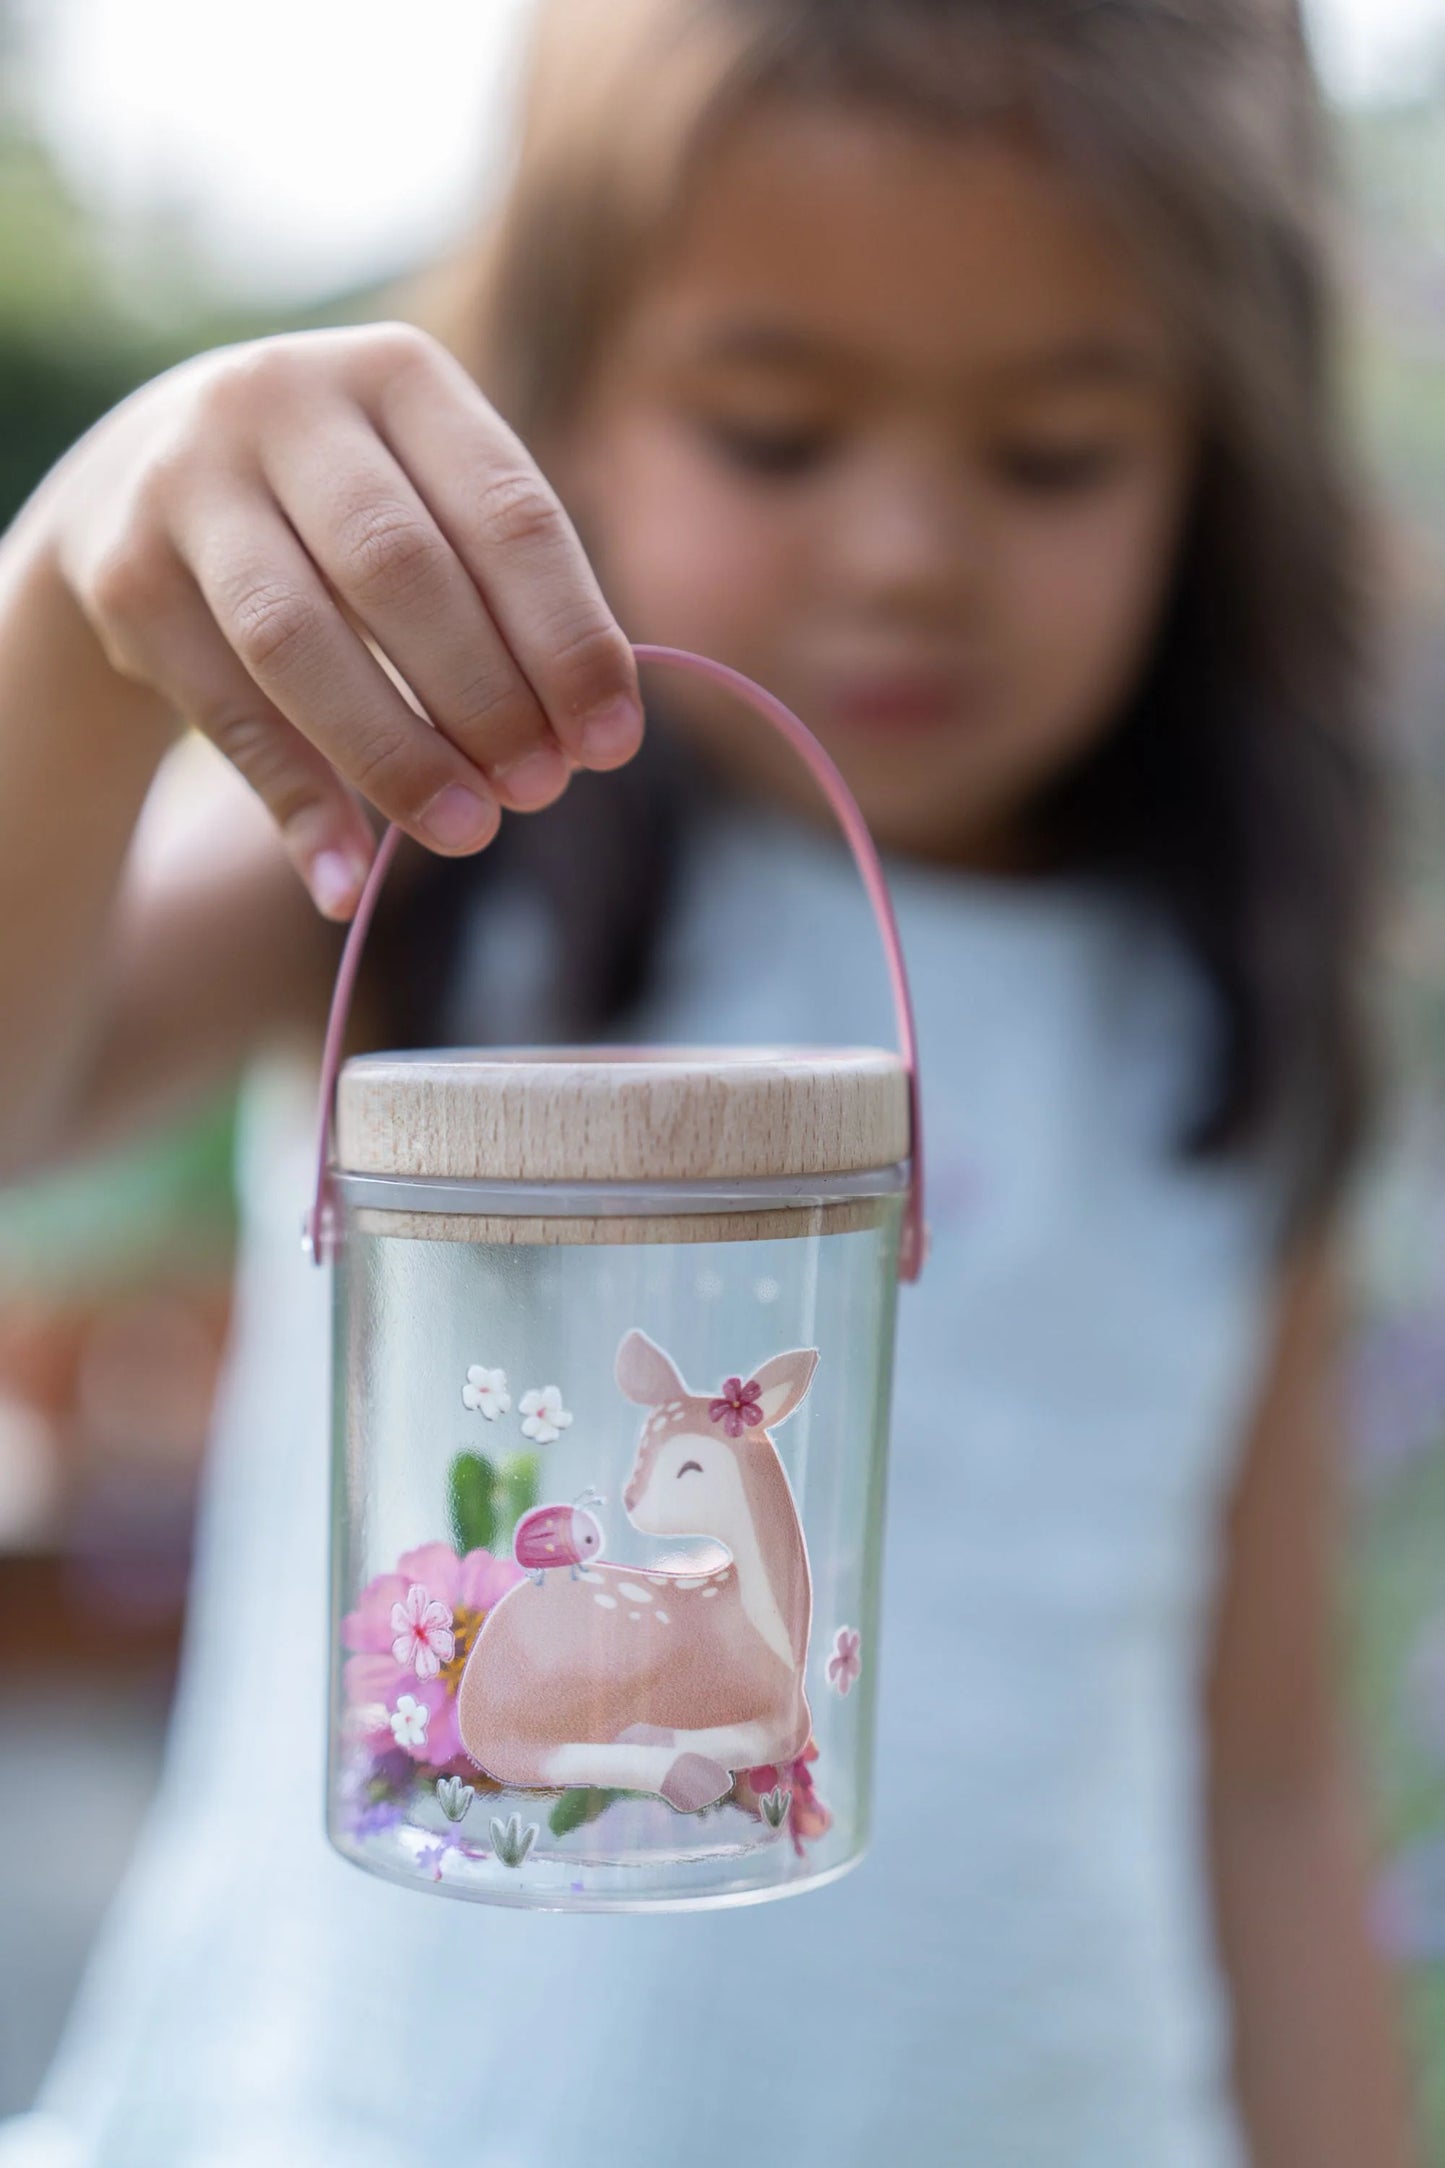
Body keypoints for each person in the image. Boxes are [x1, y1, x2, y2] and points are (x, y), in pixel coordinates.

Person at [0, 0, 1420, 2160]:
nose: (907, 549)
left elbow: (1265, 1764)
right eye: (772, 429)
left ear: (1213, 459)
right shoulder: (427, 843)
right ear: (557, 393)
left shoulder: (1222, 998)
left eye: (1051, 453)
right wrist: (65, 640)